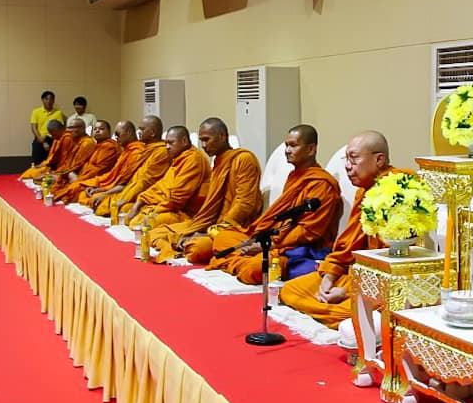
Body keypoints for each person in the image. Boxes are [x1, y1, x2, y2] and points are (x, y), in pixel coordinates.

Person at [279, 130, 404, 328]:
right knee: (291, 290)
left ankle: (352, 314)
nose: (347, 166)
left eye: (354, 158)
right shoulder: (365, 192)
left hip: (383, 284)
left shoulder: (400, 191)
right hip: (355, 276)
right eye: (346, 159)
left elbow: (397, 263)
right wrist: (329, 278)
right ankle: (345, 311)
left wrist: (349, 292)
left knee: (362, 312)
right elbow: (347, 247)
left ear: (379, 160)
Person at [204, 125, 341, 283]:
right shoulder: (294, 176)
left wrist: (270, 245)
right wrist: (261, 240)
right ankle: (241, 262)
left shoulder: (321, 184)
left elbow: (308, 231)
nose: (287, 150)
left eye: (293, 145)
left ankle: (237, 263)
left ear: (311, 149)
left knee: (254, 268)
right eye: (286, 145)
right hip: (274, 239)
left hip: (296, 248)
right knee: (224, 237)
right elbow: (283, 219)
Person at [149, 118, 263, 264]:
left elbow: (245, 204)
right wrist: (200, 228)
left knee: (196, 248)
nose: (203, 145)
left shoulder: (244, 159)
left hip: (234, 227)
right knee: (154, 233)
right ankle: (181, 244)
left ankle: (182, 244)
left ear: (222, 136)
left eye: (206, 140)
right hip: (211, 224)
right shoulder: (218, 162)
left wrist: (213, 230)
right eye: (201, 140)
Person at [121, 125, 210, 229]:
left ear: (184, 141)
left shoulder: (193, 160)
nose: (167, 147)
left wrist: (155, 210)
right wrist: (140, 201)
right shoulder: (178, 158)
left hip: (185, 213)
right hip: (166, 205)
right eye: (166, 143)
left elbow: (178, 198)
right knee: (127, 209)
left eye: (171, 143)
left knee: (143, 222)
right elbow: (161, 185)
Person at [90, 116, 170, 216]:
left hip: (146, 195)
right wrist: (106, 192)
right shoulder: (145, 150)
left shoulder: (161, 152)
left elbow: (145, 182)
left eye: (142, 129)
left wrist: (123, 199)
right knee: (102, 202)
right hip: (131, 191)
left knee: (117, 207)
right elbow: (130, 180)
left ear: (152, 133)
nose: (139, 132)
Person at [50, 120, 120, 200]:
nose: (97, 131)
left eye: (101, 129)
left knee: (72, 190)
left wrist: (79, 179)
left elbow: (99, 170)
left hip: (97, 180)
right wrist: (66, 173)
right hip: (84, 176)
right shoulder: (96, 146)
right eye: (95, 129)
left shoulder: (109, 147)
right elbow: (81, 163)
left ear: (109, 132)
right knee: (58, 184)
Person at [30, 90, 66, 162]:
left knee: (53, 162)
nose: (49, 101)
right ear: (42, 100)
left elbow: (60, 129)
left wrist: (50, 137)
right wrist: (43, 141)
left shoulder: (58, 113)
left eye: (51, 99)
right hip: (40, 138)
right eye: (46, 99)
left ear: (54, 101)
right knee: (37, 160)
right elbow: (34, 128)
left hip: (53, 139)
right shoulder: (36, 112)